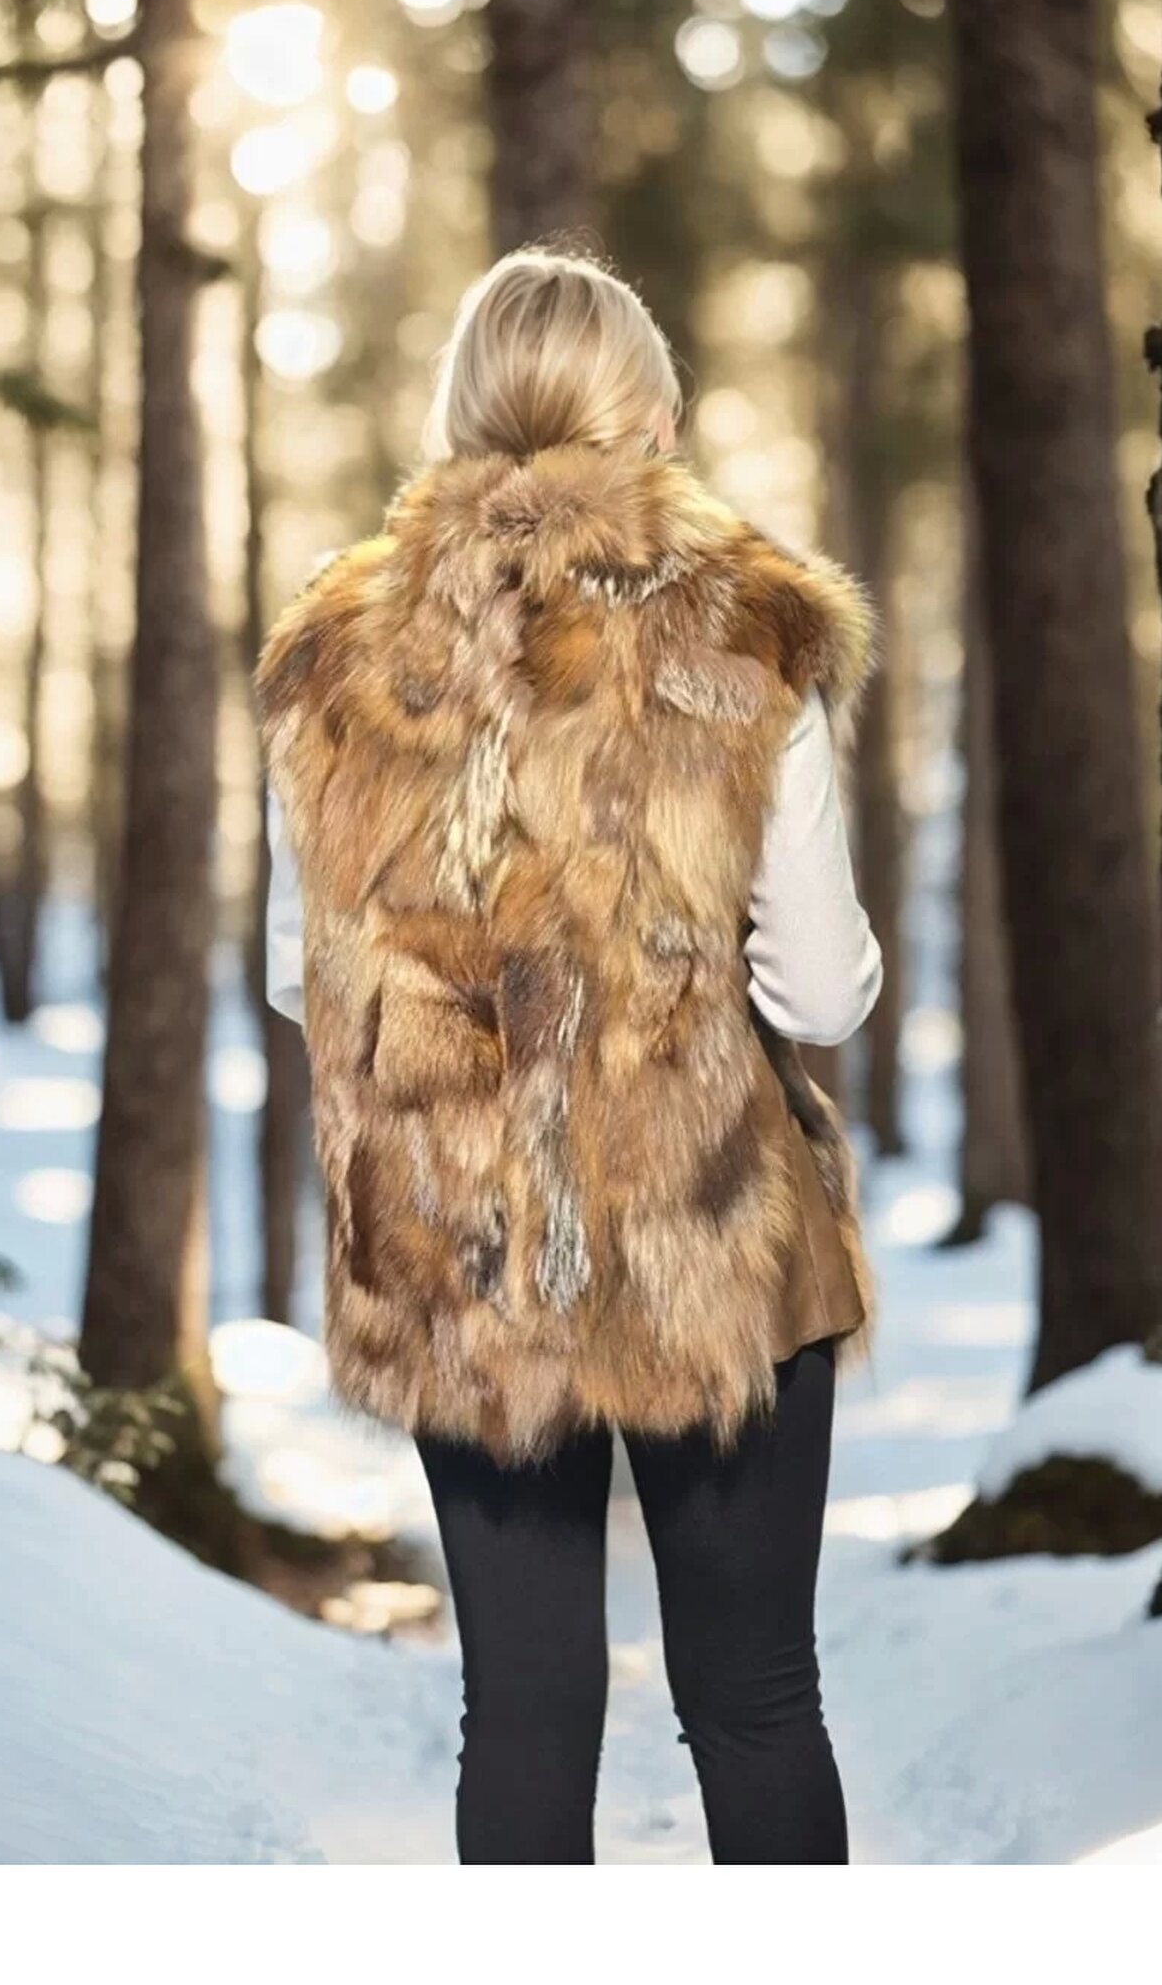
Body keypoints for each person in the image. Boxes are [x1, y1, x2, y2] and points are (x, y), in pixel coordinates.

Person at [258, 248, 882, 1866]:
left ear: (461, 416)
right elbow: (821, 993)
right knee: (757, 1701)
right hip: (708, 1242)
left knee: (524, 1708)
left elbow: (295, 978)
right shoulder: (744, 628)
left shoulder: (338, 654)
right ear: (654, 418)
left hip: (465, 1261)